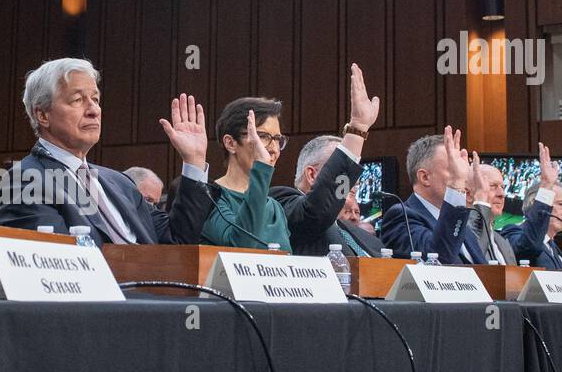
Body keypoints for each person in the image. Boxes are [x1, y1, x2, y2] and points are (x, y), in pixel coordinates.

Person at [0, 58, 212, 244]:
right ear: (43, 115)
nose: (94, 110)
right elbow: (59, 266)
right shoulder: (24, 181)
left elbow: (177, 242)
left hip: (156, 289)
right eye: (78, 100)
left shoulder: (121, 183)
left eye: (96, 99)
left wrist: (193, 162)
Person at [270, 64, 383, 257]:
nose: (351, 189)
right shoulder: (280, 202)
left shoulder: (361, 235)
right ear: (312, 174)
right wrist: (357, 129)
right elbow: (316, 213)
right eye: (345, 185)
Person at [379, 127, 487, 263]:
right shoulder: (401, 217)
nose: (463, 176)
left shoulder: (461, 224)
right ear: (424, 177)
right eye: (453, 169)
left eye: (462, 170)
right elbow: (438, 260)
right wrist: (456, 183)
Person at [200, 98, 291, 251]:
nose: (274, 149)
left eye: (277, 139)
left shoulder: (275, 207)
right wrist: (261, 168)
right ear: (230, 143)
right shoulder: (209, 198)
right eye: (263, 136)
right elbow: (242, 247)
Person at [502, 149, 562, 269]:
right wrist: (546, 186)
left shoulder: (553, 246)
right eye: (561, 204)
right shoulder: (513, 231)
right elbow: (529, 247)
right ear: (535, 203)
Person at [467, 162, 517, 264]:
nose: (502, 194)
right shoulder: (457, 236)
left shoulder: (503, 242)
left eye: (502, 187)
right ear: (468, 194)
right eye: (492, 186)